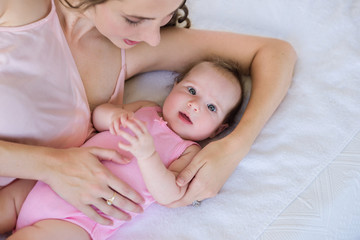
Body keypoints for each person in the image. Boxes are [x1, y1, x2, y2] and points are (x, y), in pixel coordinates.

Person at [0, 0, 297, 229]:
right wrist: (50, 165)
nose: (153, 38)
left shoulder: (130, 49)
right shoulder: (18, 10)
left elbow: (275, 53)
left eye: (164, 18)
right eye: (134, 19)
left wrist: (233, 147)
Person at [3, 59, 244, 240]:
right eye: (192, 91)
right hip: (48, 181)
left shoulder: (188, 151)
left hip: (79, 219)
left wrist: (147, 155)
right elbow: (98, 118)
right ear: (175, 86)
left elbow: (170, 194)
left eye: (211, 107)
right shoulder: (146, 109)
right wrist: (115, 116)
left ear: (217, 130)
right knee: (7, 201)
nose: (194, 105)